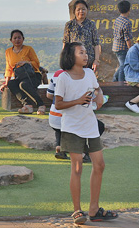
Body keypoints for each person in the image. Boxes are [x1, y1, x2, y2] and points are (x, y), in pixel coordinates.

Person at [55, 42, 118, 224]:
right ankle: (77, 211)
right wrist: (78, 100)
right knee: (77, 168)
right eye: (81, 52)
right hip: (72, 128)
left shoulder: (90, 73)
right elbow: (58, 104)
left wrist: (99, 94)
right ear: (70, 56)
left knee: (99, 165)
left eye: (85, 52)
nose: (86, 55)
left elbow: (97, 88)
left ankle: (94, 209)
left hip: (90, 126)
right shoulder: (63, 78)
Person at [0, 30, 46, 114]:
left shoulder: (28, 49)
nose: (17, 40)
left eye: (19, 38)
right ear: (11, 40)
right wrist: (6, 82)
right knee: (11, 84)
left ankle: (41, 104)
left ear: (23, 39)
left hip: (33, 75)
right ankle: (27, 105)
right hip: (19, 76)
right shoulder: (8, 52)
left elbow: (37, 63)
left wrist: (26, 62)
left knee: (23, 85)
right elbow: (8, 68)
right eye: (15, 38)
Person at [63, 0, 101, 71]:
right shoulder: (69, 25)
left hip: (88, 61)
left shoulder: (91, 24)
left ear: (87, 10)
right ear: (74, 11)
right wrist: (64, 59)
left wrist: (96, 60)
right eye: (78, 9)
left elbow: (96, 43)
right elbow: (65, 43)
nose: (81, 11)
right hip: (73, 60)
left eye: (83, 9)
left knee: (87, 80)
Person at [112, 0, 133, 82]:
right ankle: (120, 83)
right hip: (122, 48)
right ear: (129, 10)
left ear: (119, 10)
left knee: (122, 65)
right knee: (123, 66)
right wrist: (130, 49)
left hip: (115, 46)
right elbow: (127, 38)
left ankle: (114, 80)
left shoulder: (117, 19)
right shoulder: (127, 22)